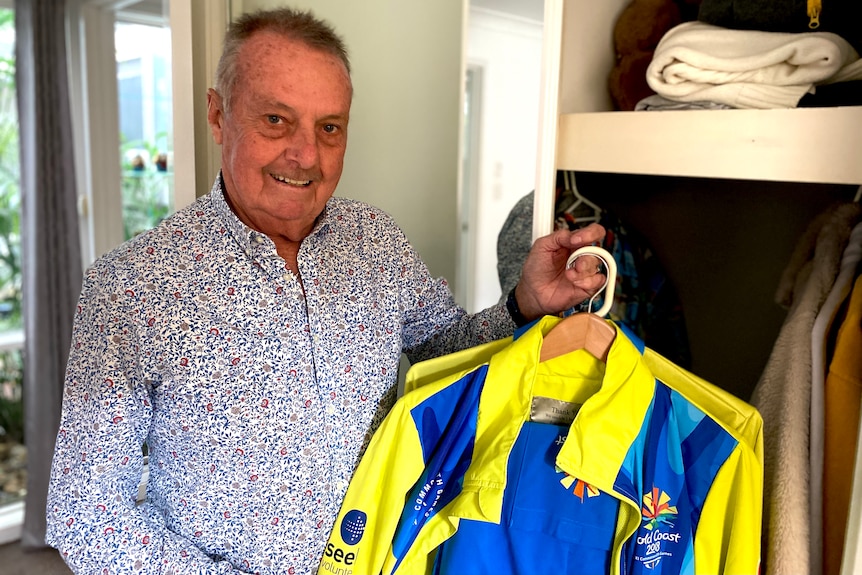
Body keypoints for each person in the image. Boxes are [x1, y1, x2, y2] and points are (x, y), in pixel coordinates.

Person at [45, 7, 606, 574]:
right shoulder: (132, 285)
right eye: (275, 120)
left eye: (328, 128)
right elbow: (86, 513)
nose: (306, 156)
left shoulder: (376, 243)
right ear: (217, 114)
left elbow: (447, 351)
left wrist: (523, 304)